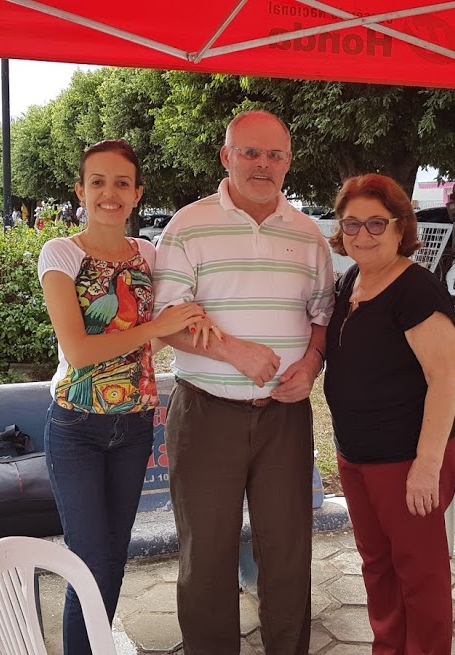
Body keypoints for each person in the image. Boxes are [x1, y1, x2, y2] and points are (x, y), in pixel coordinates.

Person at [152, 110, 335, 655]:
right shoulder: (188, 225)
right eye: (249, 153)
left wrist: (312, 364)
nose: (262, 165)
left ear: (288, 162)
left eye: (274, 155)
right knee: (207, 555)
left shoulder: (309, 235)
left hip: (285, 416)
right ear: (226, 157)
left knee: (288, 552)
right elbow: (166, 322)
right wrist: (233, 351)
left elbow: (322, 318)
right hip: (206, 412)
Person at [37, 140, 209, 655]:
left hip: (134, 426)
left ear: (137, 194)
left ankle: (96, 644)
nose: (108, 193)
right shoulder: (61, 254)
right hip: (76, 428)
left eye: (121, 183)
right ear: (80, 191)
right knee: (88, 560)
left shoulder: (149, 255)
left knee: (114, 558)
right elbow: (79, 352)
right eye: (97, 182)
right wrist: (156, 326)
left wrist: (185, 322)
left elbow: (148, 345)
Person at [322, 173, 455, 655]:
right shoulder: (351, 281)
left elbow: (444, 379)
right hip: (357, 453)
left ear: (401, 227)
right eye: (352, 223)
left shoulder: (416, 290)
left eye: (376, 223)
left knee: (419, 573)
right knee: (377, 564)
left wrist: (426, 467)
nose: (362, 234)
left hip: (409, 457)